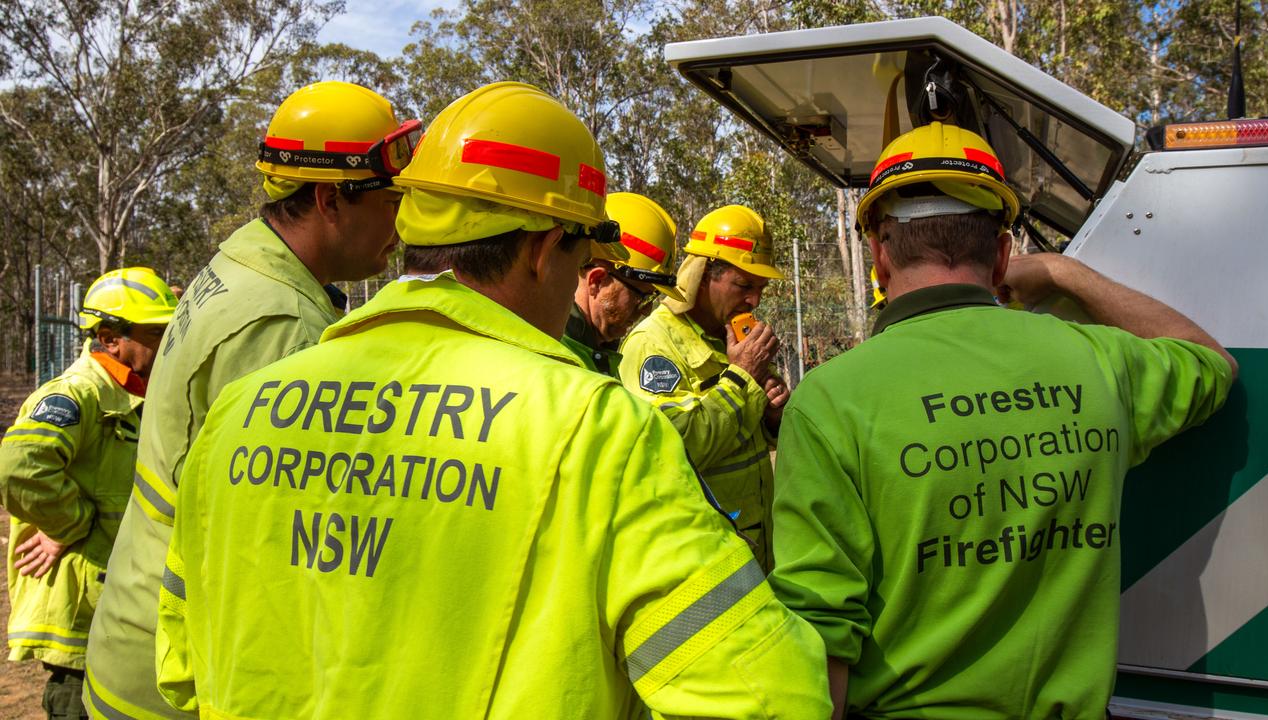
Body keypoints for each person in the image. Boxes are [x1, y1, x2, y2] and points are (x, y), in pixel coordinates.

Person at [154, 82, 831, 719]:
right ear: (542, 249)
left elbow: (183, 670)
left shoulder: (238, 413)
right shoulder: (594, 428)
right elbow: (765, 696)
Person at [769, 121, 1237, 719]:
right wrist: (1067, 273)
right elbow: (1212, 361)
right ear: (1002, 253)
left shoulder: (828, 402)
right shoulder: (1099, 362)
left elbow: (822, 633)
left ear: (880, 254)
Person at [83, 81, 419, 719]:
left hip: (140, 631)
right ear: (329, 199)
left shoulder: (243, 264)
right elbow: (277, 545)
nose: (400, 227)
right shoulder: (281, 324)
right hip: (176, 671)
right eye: (390, 200)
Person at [1, 268, 177, 720]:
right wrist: (72, 523)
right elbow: (20, 468)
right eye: (155, 332)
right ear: (110, 337)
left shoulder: (135, 396)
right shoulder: (78, 394)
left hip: (116, 616)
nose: (165, 341)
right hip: (80, 625)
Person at [619, 205, 789, 569]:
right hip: (696, 558)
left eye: (761, 289)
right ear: (702, 276)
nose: (754, 301)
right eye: (744, 286)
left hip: (752, 549)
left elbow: (744, 435)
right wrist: (743, 377)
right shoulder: (653, 344)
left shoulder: (733, 338)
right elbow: (676, 448)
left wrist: (773, 417)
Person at [563, 192, 683, 377]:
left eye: (652, 297)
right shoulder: (560, 356)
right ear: (597, 281)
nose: (646, 310)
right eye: (641, 297)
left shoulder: (599, 352)